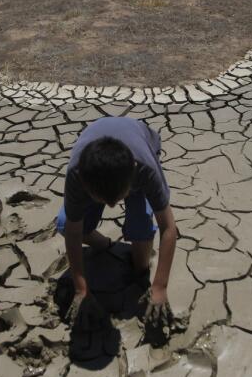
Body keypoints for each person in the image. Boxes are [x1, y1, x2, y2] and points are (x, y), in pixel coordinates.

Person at [56, 116, 177, 330]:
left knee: (140, 230)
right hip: (101, 165)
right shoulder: (77, 175)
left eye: (119, 198)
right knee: (65, 223)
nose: (112, 207)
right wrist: (80, 289)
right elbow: (73, 232)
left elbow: (168, 227)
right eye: (103, 201)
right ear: (86, 186)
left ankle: (140, 268)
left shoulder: (145, 170)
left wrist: (160, 286)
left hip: (140, 142)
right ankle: (106, 246)